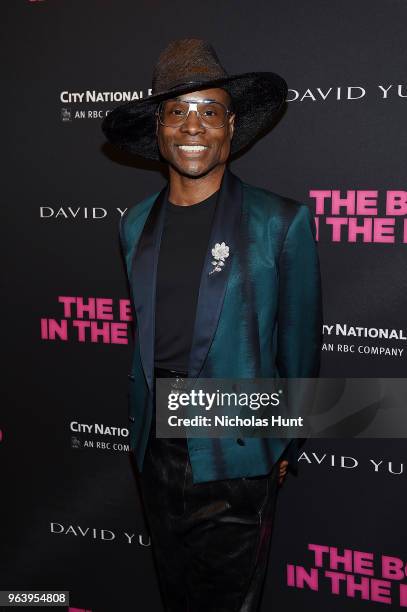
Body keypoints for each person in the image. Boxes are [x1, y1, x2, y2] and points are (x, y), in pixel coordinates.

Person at [102, 38, 322, 612]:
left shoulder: (281, 222)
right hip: (155, 448)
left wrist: (282, 447)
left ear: (231, 129)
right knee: (176, 596)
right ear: (158, 130)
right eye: (177, 112)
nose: (192, 127)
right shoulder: (133, 224)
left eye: (209, 112)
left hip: (238, 447)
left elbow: (300, 352)